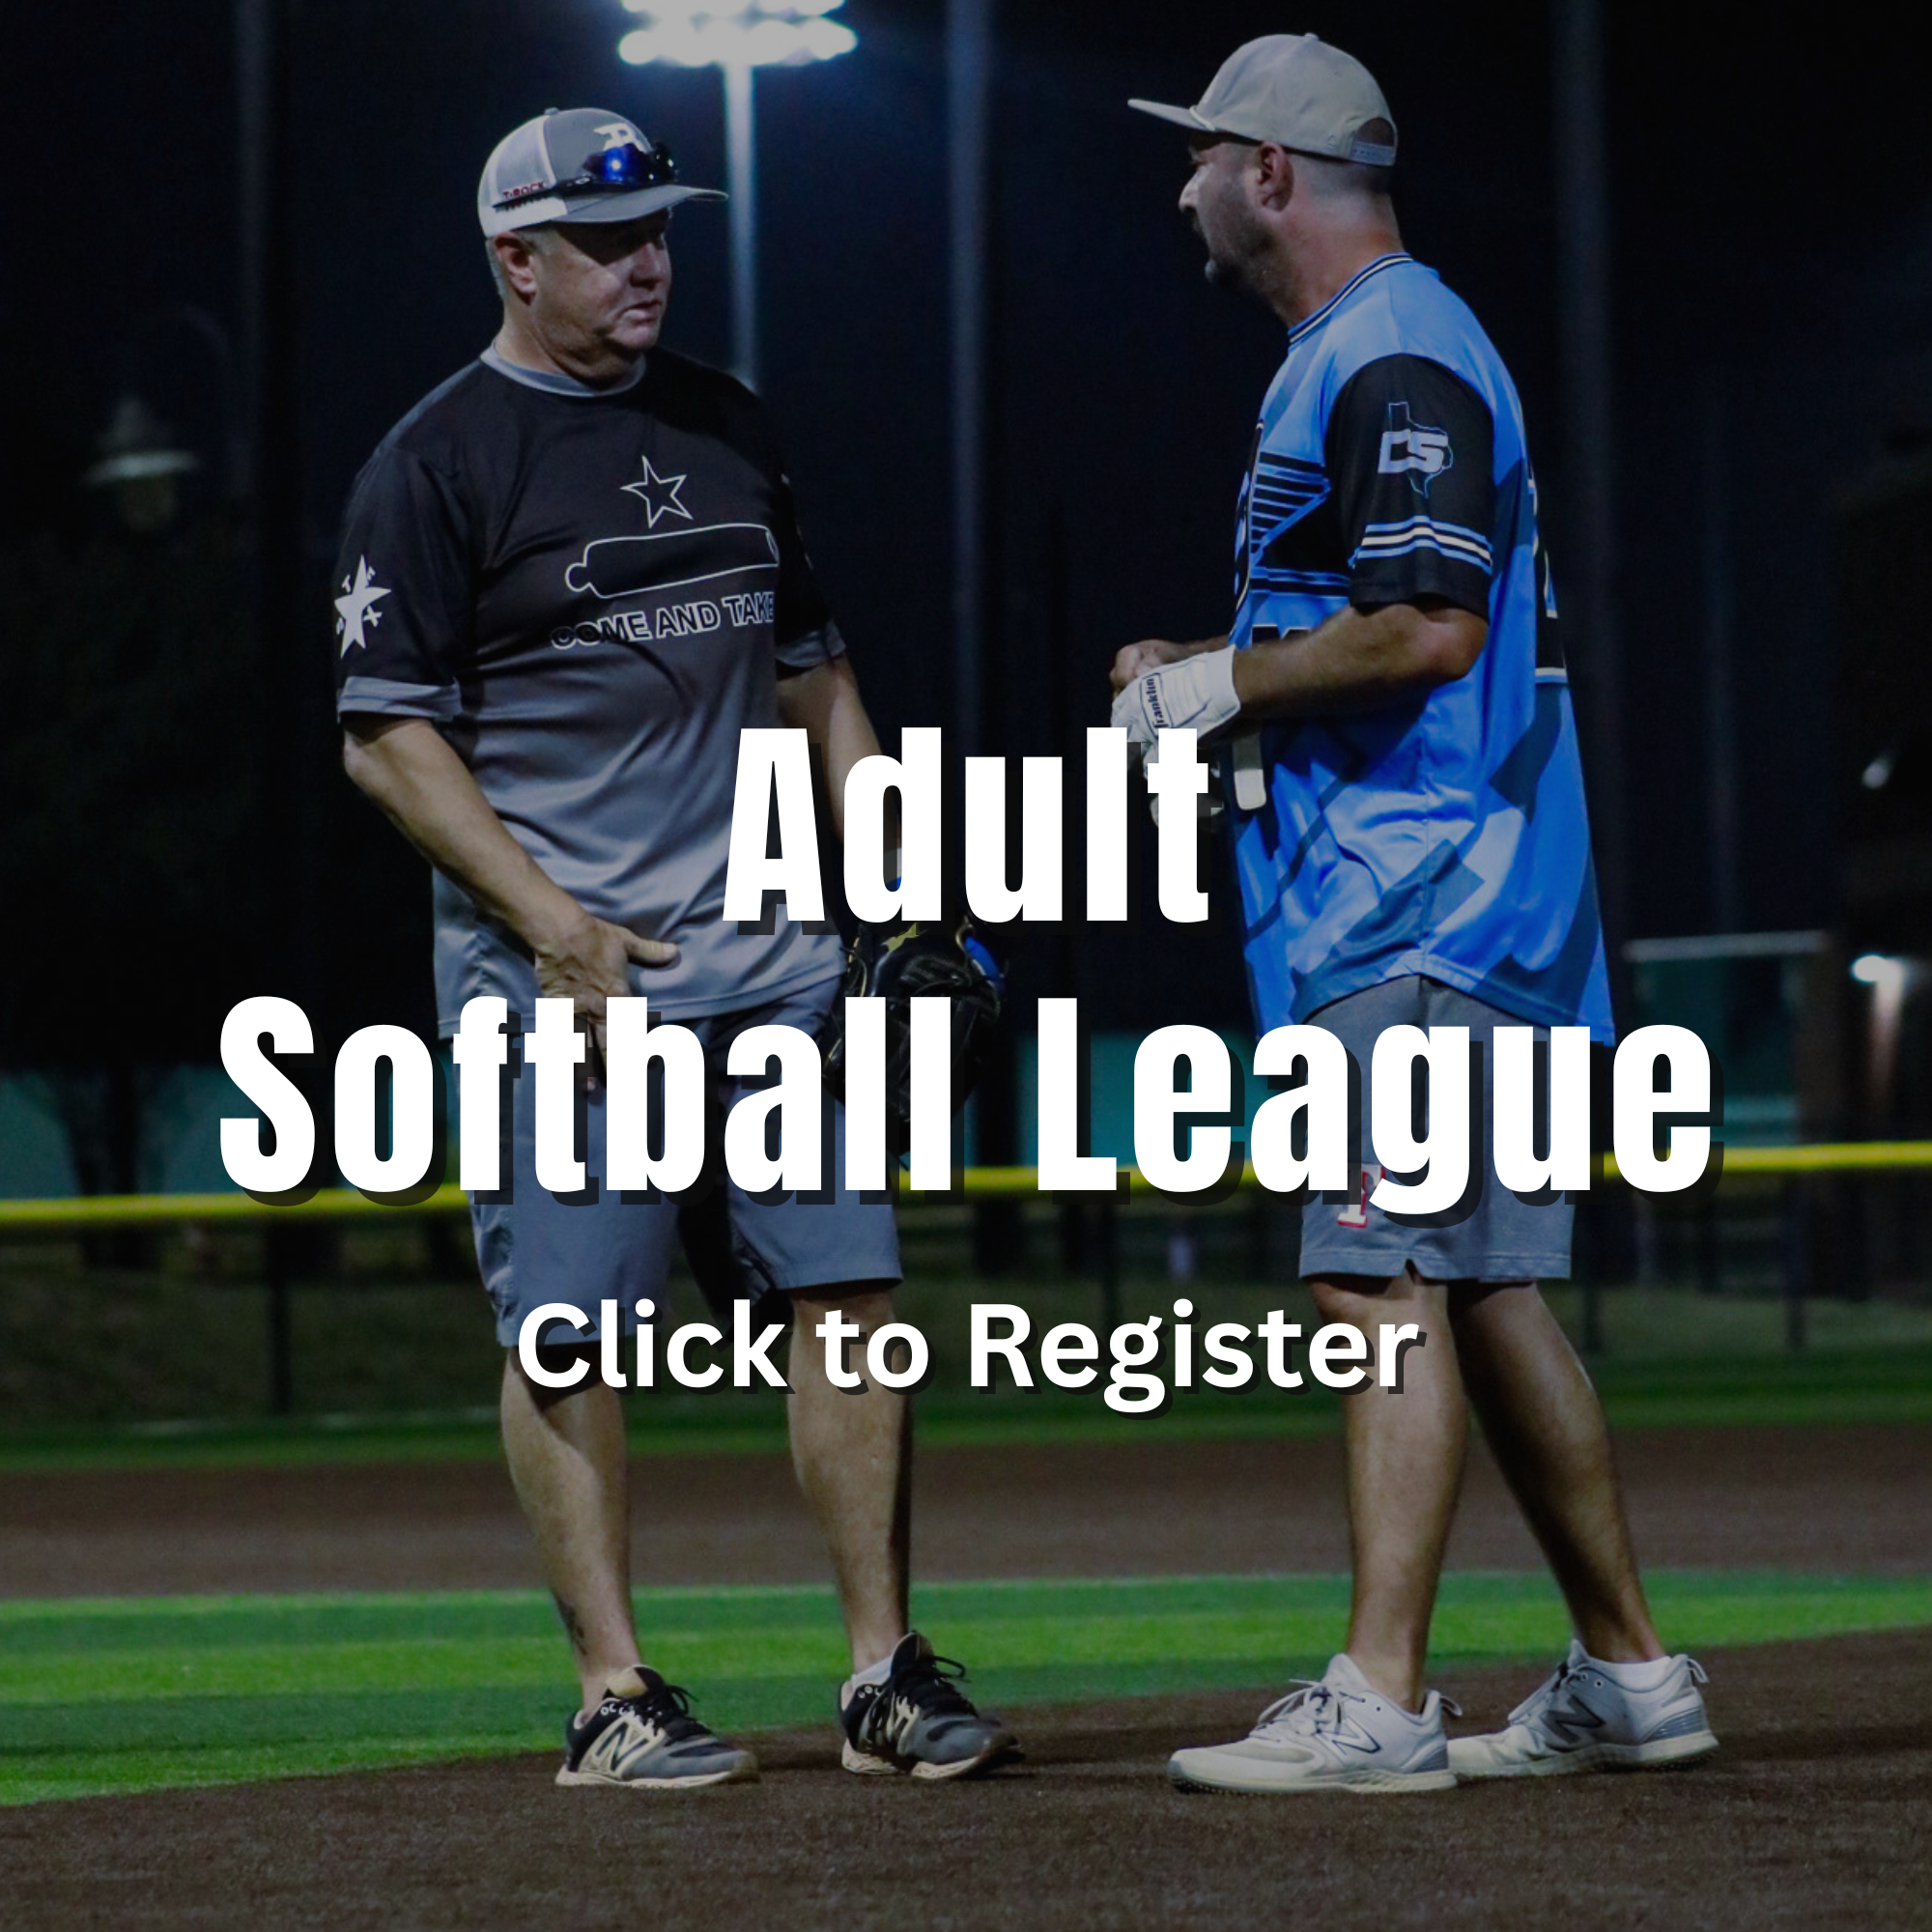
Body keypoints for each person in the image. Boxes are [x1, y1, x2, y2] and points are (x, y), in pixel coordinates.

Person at [333, 106, 1016, 1788]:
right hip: (565, 981)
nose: (648, 263)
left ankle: (881, 1676)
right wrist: (549, 924)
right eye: (606, 239)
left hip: (767, 958)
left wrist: (909, 897)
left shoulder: (728, 425)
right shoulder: (434, 461)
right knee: (570, 1331)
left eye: (659, 232)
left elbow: (817, 680)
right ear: (516, 259)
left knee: (853, 1295)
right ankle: (613, 1695)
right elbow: (384, 736)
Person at [1114, 37, 1717, 1793]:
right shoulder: (1368, 351)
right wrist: (1211, 668)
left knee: (1374, 1273)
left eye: (1206, 155)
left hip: (1420, 904)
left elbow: (1429, 630)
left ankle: (1380, 1698)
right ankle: (1633, 1675)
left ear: (1274, 177)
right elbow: (1373, 615)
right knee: (1493, 1292)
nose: (1187, 186)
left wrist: (1217, 685)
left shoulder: (1390, 349)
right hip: (1464, 898)